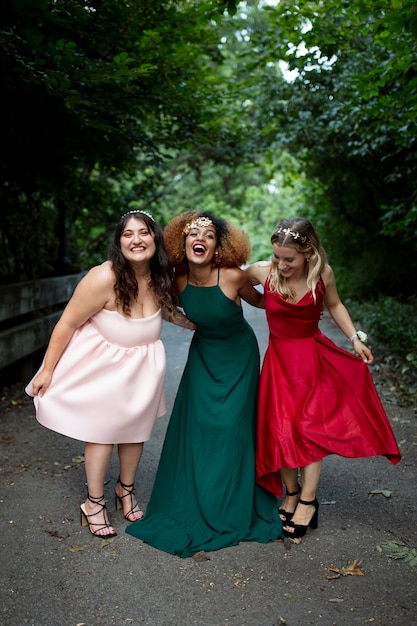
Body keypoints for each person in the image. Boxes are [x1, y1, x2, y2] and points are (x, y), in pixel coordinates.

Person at [25, 210, 194, 538]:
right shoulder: (104, 277)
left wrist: (202, 325)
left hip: (145, 364)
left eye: (143, 233)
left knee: (135, 431)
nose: (136, 240)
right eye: (128, 234)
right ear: (119, 242)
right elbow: (68, 322)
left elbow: (168, 310)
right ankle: (94, 503)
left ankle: (125, 490)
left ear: (154, 239)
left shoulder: (160, 275)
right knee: (101, 432)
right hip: (104, 364)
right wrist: (47, 369)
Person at [126, 211, 284, 556]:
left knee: (230, 427)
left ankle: (228, 501)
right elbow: (157, 302)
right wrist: (182, 321)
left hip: (238, 356)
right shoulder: (176, 278)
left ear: (218, 247)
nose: (200, 238)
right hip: (203, 356)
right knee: (198, 427)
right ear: (182, 243)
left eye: (209, 235)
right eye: (193, 233)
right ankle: (196, 495)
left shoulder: (231, 276)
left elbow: (266, 301)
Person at [246, 217, 401, 540]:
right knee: (280, 429)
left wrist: (355, 338)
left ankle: (307, 500)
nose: (281, 264)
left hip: (312, 359)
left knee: (308, 429)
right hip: (278, 362)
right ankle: (291, 491)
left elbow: (335, 305)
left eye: (289, 259)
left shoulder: (322, 275)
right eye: (277, 256)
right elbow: (231, 280)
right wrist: (257, 300)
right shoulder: (263, 271)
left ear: (307, 253)